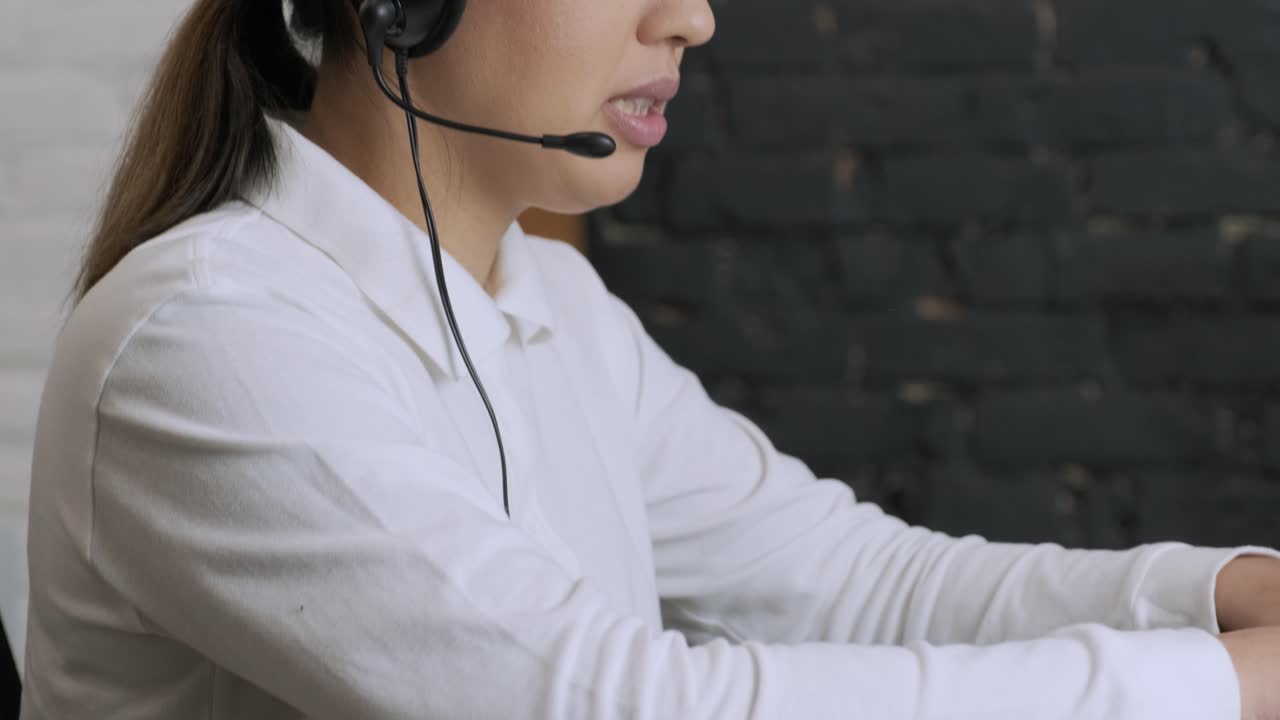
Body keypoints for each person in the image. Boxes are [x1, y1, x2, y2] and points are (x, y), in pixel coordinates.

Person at [18, 1, 1280, 718]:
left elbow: (854, 584)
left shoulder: (551, 304)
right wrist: (1217, 689)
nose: (691, 17)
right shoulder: (208, 338)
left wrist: (1218, 596)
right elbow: (613, 707)